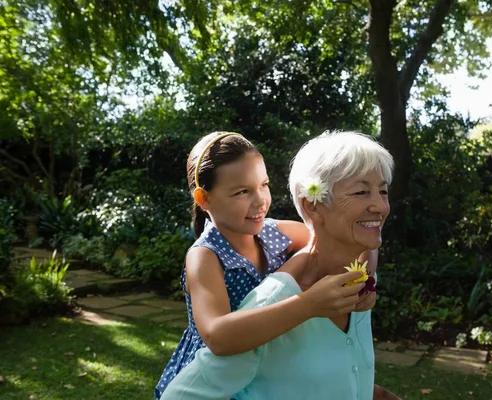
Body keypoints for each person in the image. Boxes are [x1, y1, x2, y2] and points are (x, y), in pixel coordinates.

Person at [162, 130, 398, 400]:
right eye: (242, 191)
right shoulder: (205, 255)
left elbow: (336, 241)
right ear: (204, 199)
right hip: (219, 376)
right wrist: (309, 304)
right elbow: (218, 338)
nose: (260, 200)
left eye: (264, 185)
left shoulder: (272, 232)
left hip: (266, 362)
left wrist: (365, 280)